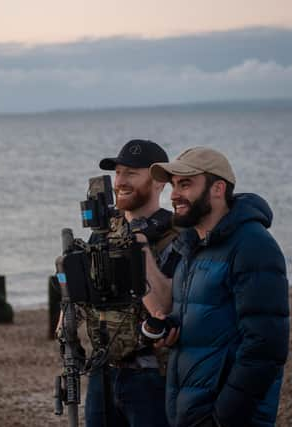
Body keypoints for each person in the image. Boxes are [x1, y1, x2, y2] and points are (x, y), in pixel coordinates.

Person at [142, 146, 290, 427]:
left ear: (218, 188)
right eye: (173, 185)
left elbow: (266, 346)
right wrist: (170, 327)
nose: (174, 195)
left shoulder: (253, 245)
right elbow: (209, 314)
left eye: (185, 184)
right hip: (190, 409)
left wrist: (223, 417)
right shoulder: (191, 247)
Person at [82, 139, 178, 427]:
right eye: (118, 173)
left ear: (160, 182)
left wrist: (139, 245)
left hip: (151, 377)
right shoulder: (104, 231)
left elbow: (163, 305)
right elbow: (85, 289)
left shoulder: (175, 235)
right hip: (102, 371)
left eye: (131, 174)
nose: (120, 182)